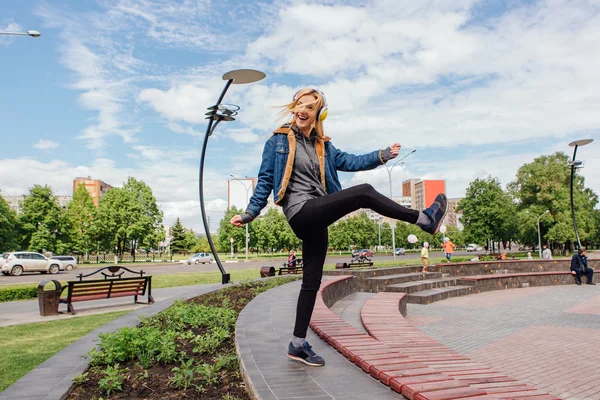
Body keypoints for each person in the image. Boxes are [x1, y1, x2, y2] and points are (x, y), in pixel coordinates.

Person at [230, 88, 447, 367]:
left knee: (311, 283)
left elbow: (352, 161)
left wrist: (382, 155)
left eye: (310, 107)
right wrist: (250, 213)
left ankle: (297, 345)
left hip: (318, 214)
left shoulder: (324, 146)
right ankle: (423, 219)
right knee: (364, 193)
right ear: (293, 108)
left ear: (319, 114)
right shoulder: (277, 142)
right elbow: (265, 180)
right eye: (299, 105)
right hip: (301, 212)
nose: (302, 111)